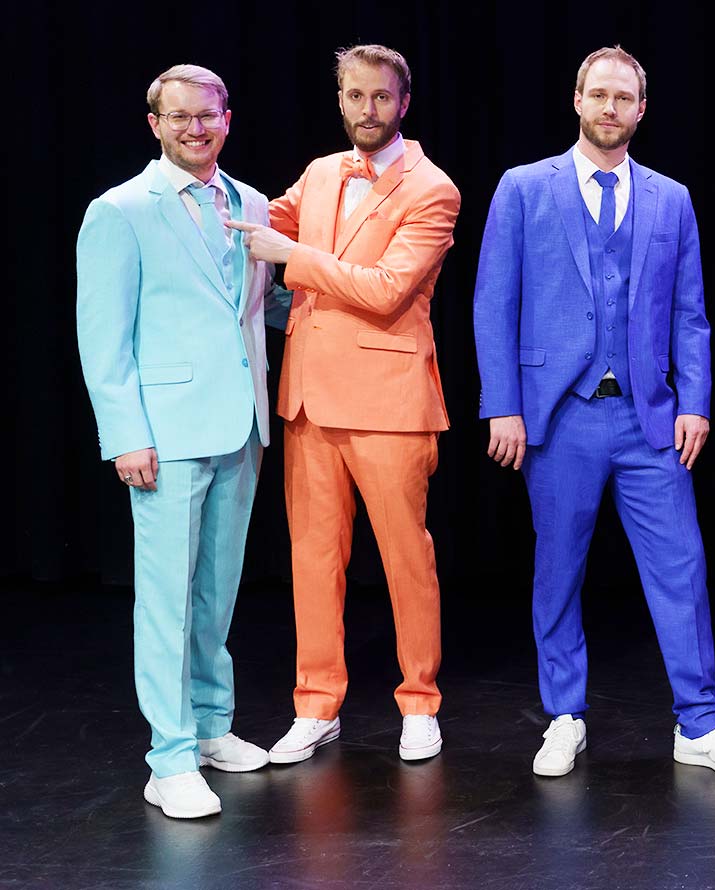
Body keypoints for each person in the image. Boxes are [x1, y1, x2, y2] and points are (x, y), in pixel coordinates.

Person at [470, 46, 715, 779]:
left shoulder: (671, 198)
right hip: (558, 415)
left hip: (648, 417)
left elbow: (690, 313)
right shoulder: (523, 187)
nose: (610, 108)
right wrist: (502, 406)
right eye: (599, 94)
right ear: (577, 100)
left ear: (641, 109)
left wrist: (694, 402)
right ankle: (564, 716)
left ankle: (700, 722)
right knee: (558, 569)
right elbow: (493, 302)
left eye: (623, 98)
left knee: (681, 567)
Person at [226, 44, 459, 764]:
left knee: (405, 560)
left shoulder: (433, 188)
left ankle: (419, 702)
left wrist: (290, 257)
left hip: (388, 401)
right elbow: (261, 219)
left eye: (381, 97)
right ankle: (315, 705)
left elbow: (387, 289)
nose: (367, 109)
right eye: (355, 96)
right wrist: (199, 192)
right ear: (340, 100)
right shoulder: (323, 171)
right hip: (309, 399)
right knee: (313, 560)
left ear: (404, 102)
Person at [76, 63, 278, 818]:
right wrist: (126, 436)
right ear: (155, 125)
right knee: (166, 601)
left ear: (227, 119)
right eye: (180, 117)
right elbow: (103, 338)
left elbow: (259, 305)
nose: (196, 128)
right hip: (165, 433)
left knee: (217, 591)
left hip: (242, 424)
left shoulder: (251, 202)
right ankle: (168, 757)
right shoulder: (121, 210)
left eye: (208, 115)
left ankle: (212, 727)